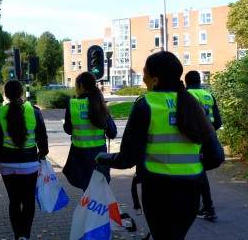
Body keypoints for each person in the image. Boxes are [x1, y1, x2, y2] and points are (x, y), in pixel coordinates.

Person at [96, 51, 224, 240]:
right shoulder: (195, 105)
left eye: (144, 73)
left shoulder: (145, 105)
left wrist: (102, 158)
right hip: (191, 191)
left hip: (158, 192)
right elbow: (216, 156)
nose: (143, 77)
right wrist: (192, 168)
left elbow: (128, 158)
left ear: (155, 80)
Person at [0, 79, 49, 240]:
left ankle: (17, 235)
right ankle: (25, 236)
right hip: (29, 164)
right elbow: (42, 137)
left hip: (7, 165)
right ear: (21, 93)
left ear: (5, 95)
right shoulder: (34, 112)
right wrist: (42, 153)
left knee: (14, 201)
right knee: (28, 201)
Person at [62, 71, 117, 191]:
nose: (76, 88)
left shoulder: (73, 104)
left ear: (81, 86)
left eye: (76, 85)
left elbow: (68, 129)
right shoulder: (100, 104)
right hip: (99, 155)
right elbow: (112, 133)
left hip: (80, 155)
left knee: (86, 191)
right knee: (99, 190)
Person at [185, 70, 222, 220]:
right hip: (208, 137)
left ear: (186, 81)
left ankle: (207, 207)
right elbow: (218, 122)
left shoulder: (185, 96)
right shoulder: (208, 95)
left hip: (193, 139)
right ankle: (205, 206)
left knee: (197, 172)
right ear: (200, 80)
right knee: (199, 171)